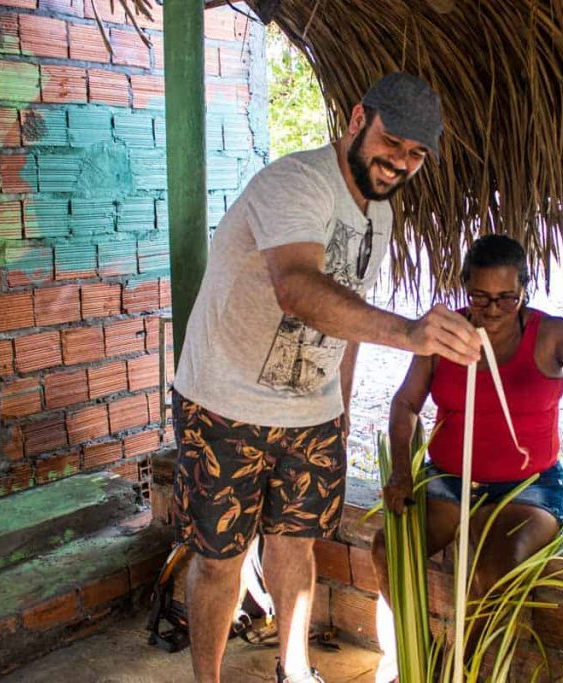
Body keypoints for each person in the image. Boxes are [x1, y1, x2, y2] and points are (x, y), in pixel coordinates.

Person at [171, 72, 482, 683]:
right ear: (357, 119)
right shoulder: (296, 182)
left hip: (311, 413)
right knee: (219, 561)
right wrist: (410, 333)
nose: (400, 162)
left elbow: (345, 319)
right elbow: (299, 290)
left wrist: (338, 406)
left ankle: (294, 669)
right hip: (225, 404)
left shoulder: (381, 213)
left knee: (296, 545)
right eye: (392, 142)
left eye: (416, 154)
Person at [369, 234, 563, 681]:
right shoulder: (444, 335)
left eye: (506, 298)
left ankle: (463, 670)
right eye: (479, 297)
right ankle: (421, 653)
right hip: (448, 481)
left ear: (525, 290)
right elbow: (405, 405)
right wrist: (402, 472)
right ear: (464, 286)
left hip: (529, 489)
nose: (493, 309)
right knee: (388, 548)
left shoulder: (550, 335)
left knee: (494, 570)